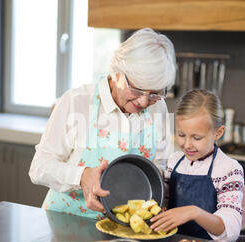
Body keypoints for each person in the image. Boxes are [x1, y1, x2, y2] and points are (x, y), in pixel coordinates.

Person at [29, 28, 176, 220]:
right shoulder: (77, 102)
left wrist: (163, 193)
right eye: (138, 90)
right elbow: (39, 168)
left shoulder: (158, 108)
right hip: (68, 223)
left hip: (126, 230)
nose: (143, 102)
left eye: (155, 93)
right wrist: (81, 176)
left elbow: (161, 164)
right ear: (117, 73)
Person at [150, 89, 244, 242]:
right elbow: (162, 204)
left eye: (196, 137)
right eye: (181, 135)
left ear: (218, 133)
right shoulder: (174, 161)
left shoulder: (228, 169)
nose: (187, 145)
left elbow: (231, 231)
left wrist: (194, 212)